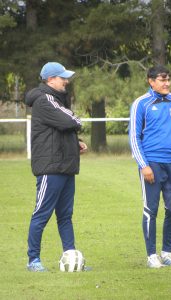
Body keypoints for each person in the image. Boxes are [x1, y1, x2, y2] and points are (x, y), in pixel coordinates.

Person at [25, 62, 87, 272]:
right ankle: (33, 260)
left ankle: (71, 258)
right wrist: (76, 122)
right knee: (41, 214)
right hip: (51, 168)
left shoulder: (56, 100)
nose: (66, 81)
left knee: (65, 216)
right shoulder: (45, 100)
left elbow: (59, 129)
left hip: (65, 166)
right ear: (50, 79)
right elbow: (70, 121)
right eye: (62, 78)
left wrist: (74, 142)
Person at [129, 65, 171, 268]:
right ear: (151, 81)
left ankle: (167, 252)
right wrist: (143, 165)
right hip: (152, 164)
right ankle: (151, 255)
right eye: (162, 79)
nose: (166, 83)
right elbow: (134, 136)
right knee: (151, 209)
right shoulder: (141, 104)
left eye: (168, 79)